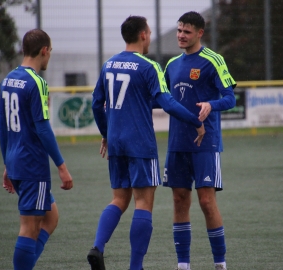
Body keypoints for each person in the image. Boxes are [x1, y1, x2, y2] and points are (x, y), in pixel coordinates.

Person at [87, 15, 205, 270]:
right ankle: (135, 267)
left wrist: (106, 133)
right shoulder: (148, 67)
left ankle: (97, 246)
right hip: (140, 143)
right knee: (143, 202)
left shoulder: (108, 64)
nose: (150, 37)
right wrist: (195, 121)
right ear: (142, 35)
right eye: (149, 33)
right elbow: (168, 103)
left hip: (116, 141)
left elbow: (97, 103)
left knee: (118, 199)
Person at [162, 11, 236, 270]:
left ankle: (220, 263)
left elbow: (230, 98)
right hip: (177, 142)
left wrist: (210, 104)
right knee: (179, 199)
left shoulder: (213, 60)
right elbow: (161, 98)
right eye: (179, 30)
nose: (181, 35)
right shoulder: (171, 65)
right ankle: (183, 265)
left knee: (206, 200)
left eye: (187, 32)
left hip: (205, 142)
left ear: (200, 33)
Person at [0, 29, 74, 270]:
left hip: (16, 161)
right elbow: (43, 129)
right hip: (31, 165)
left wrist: (7, 163)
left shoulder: (8, 80)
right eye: (50, 51)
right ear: (44, 50)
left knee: (51, 217)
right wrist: (62, 166)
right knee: (29, 228)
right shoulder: (36, 82)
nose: (49, 56)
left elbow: (2, 128)